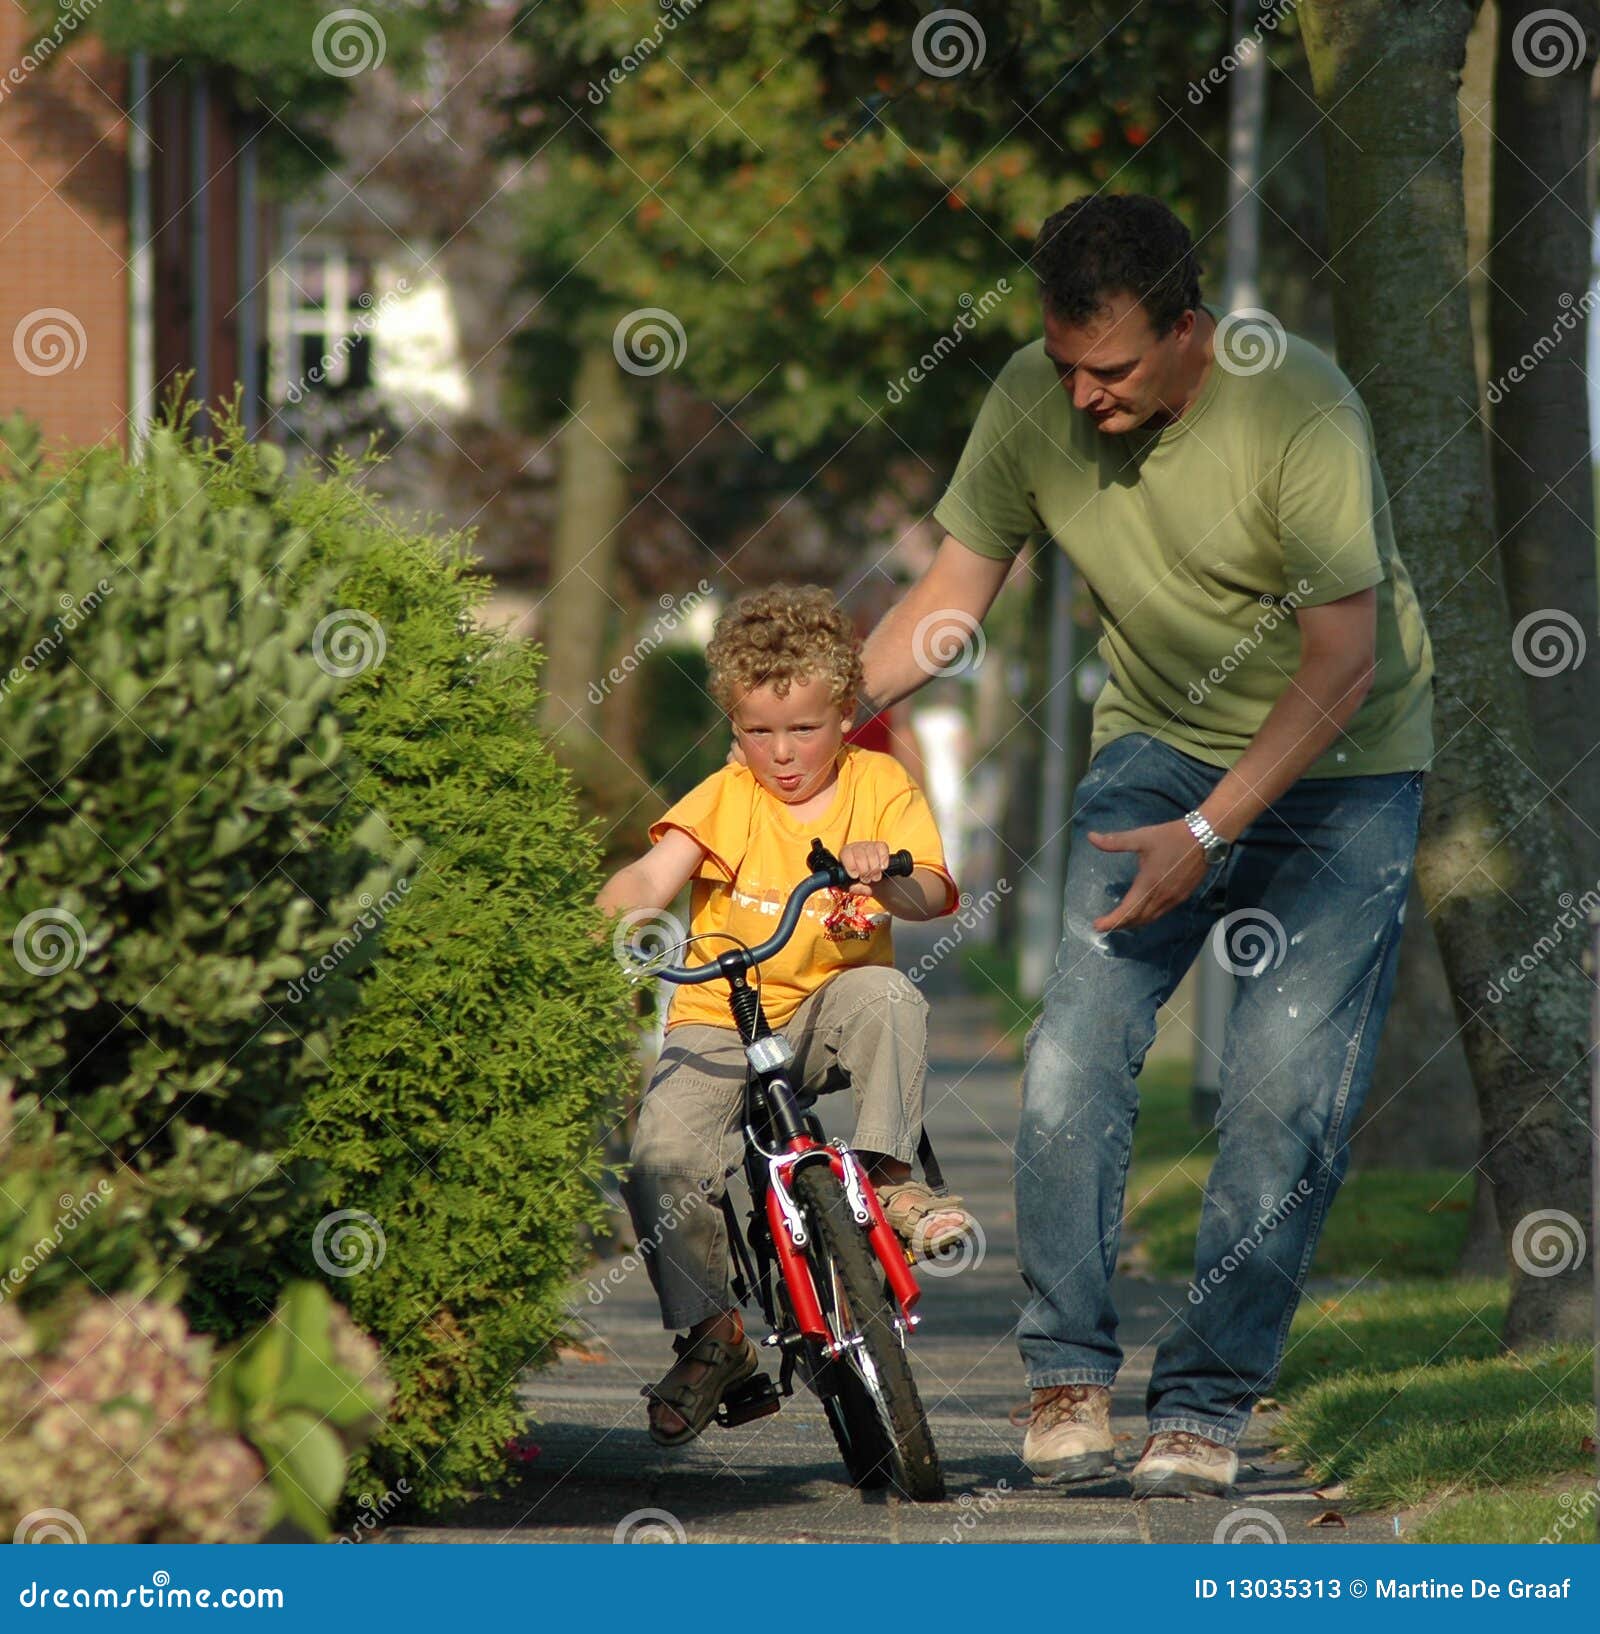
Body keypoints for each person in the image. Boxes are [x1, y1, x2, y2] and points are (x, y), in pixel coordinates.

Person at [852, 194, 1434, 1497]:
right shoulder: (1031, 399)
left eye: (1109, 370)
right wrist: (813, 718)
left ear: (1188, 330)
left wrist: (1210, 829)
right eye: (1063, 365)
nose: (1083, 397)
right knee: (1069, 1057)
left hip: (1340, 768)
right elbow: (948, 602)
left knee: (1285, 1098)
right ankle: (1067, 1372)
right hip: (1156, 746)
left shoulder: (1301, 410)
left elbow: (1344, 663)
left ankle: (1208, 1400)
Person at [597, 584, 980, 1447]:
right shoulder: (724, 798)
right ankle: (713, 1336)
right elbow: (650, 879)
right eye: (755, 731)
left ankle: (892, 1182)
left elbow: (930, 897)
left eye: (802, 729)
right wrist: (611, 913)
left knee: (888, 993)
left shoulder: (879, 784)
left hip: (825, 1012)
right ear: (732, 726)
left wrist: (886, 872)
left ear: (845, 715)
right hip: (718, 1021)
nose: (778, 752)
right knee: (661, 1152)